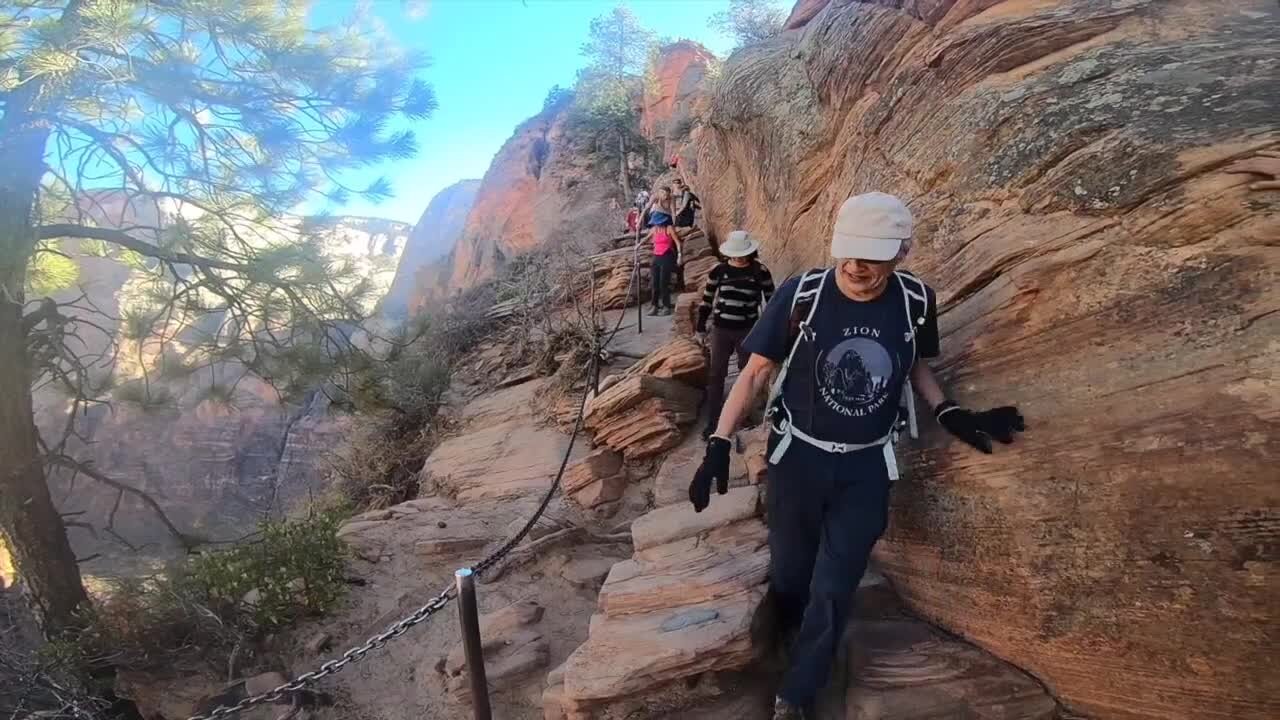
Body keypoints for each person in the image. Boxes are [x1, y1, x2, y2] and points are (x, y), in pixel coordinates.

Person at [687, 193, 1026, 720]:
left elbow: (914, 366)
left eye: (872, 256)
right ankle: (784, 630)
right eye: (848, 252)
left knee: (835, 583)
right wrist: (718, 442)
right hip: (797, 459)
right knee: (793, 574)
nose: (856, 267)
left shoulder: (915, 300)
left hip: (867, 467)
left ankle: (797, 692)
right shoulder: (804, 294)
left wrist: (950, 412)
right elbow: (754, 371)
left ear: (903, 252)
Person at [696, 230, 775, 439]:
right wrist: (700, 327)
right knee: (716, 375)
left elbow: (772, 300)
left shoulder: (760, 272)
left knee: (747, 374)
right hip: (721, 329)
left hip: (747, 329)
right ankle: (713, 422)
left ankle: (742, 417)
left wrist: (770, 329)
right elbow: (707, 300)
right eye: (735, 254)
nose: (738, 257)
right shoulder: (719, 271)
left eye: (742, 253)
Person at [645, 185, 682, 316]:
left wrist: (679, 256)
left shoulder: (669, 229)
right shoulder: (654, 229)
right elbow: (645, 239)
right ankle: (654, 305)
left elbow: (678, 243)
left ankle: (666, 306)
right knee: (655, 284)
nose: (657, 223)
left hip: (667, 256)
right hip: (656, 256)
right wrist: (637, 245)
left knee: (663, 283)